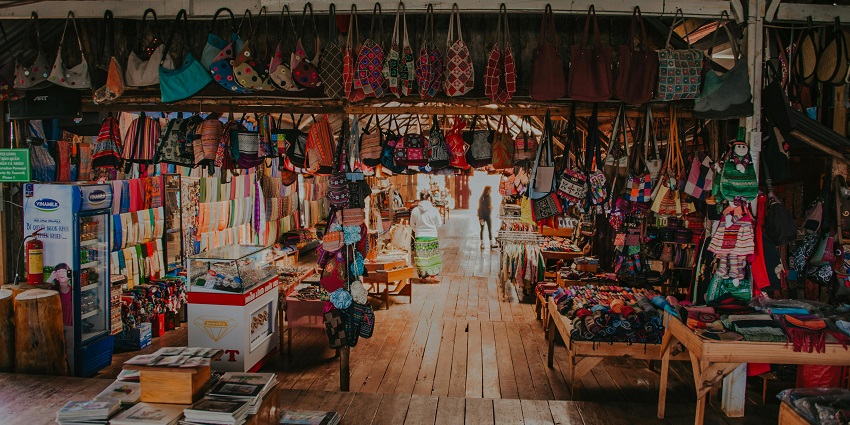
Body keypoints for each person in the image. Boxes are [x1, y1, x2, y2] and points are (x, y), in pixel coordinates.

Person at [410, 193, 443, 282]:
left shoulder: (415, 210)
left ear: (419, 200)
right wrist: (433, 229)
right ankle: (433, 276)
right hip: (432, 236)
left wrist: (417, 231)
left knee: (421, 257)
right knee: (432, 256)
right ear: (429, 200)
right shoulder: (434, 210)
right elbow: (439, 223)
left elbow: (412, 225)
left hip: (420, 236)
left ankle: (423, 278)